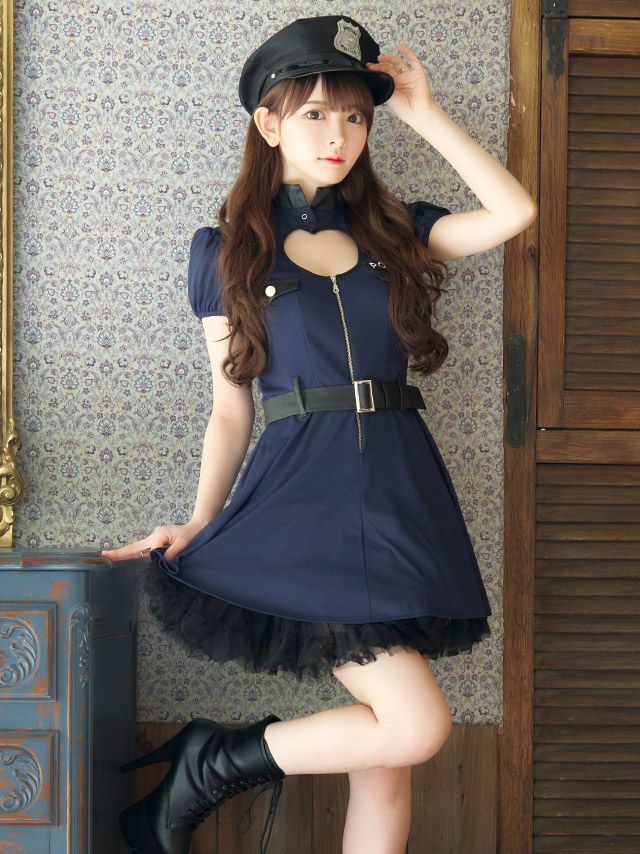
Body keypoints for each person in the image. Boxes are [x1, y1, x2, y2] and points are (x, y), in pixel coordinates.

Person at [103, 14, 537, 854]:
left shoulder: (397, 230)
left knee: (387, 762)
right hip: (304, 501)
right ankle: (210, 761)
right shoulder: (227, 252)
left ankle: (212, 761)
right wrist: (200, 520)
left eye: (355, 116)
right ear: (268, 124)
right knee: (415, 727)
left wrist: (424, 114)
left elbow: (514, 211)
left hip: (402, 496)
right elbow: (231, 408)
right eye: (313, 114)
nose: (338, 136)